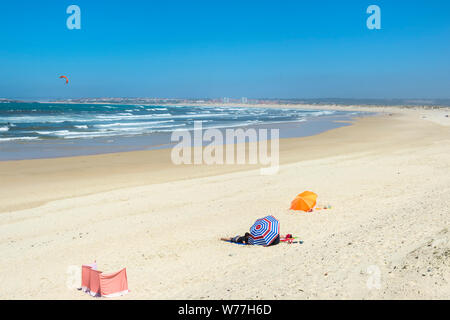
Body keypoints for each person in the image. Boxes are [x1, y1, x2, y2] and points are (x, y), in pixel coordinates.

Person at [220, 233, 287, 246]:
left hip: (239, 237)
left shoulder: (247, 238)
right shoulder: (245, 239)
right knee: (230, 239)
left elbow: (244, 242)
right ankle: (222, 238)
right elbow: (243, 242)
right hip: (237, 239)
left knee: (230, 238)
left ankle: (222, 238)